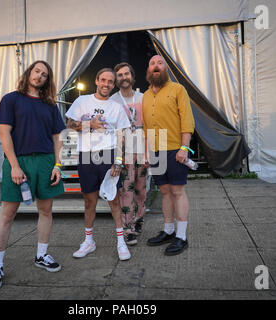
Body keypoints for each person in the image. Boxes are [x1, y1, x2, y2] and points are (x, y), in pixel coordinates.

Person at [0, 60, 66, 290]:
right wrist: (14, 165)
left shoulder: (50, 105)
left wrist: (57, 165)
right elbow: (4, 133)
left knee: (45, 210)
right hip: (18, 161)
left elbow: (56, 139)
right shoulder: (11, 99)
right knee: (7, 214)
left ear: (47, 80)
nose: (40, 76)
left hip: (45, 162)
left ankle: (42, 255)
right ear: (29, 72)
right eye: (37, 71)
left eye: (44, 74)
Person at [65, 68, 132, 261]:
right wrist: (90, 125)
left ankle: (121, 242)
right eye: (103, 80)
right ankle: (89, 241)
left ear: (113, 85)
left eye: (110, 82)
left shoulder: (116, 107)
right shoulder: (82, 101)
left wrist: (118, 161)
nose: (106, 84)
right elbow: (70, 125)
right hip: (86, 156)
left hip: (108, 155)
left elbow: (122, 137)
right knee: (89, 201)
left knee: (114, 200)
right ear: (96, 80)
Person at [142, 55, 195, 256]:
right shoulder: (146, 96)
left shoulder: (178, 89)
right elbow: (146, 127)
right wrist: (148, 152)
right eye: (152, 63)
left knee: (178, 191)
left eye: (160, 63)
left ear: (165, 68)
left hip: (175, 149)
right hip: (155, 151)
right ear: (149, 69)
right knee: (164, 191)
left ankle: (181, 236)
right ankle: (169, 231)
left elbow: (187, 120)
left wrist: (184, 148)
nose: (156, 66)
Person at [110, 62, 147, 246]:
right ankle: (128, 229)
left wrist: (149, 152)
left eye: (126, 74)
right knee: (126, 190)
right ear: (116, 79)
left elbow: (149, 126)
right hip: (123, 151)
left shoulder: (143, 98)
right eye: (120, 75)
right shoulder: (112, 101)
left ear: (132, 76)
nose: (123, 77)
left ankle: (139, 220)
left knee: (141, 189)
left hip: (142, 149)